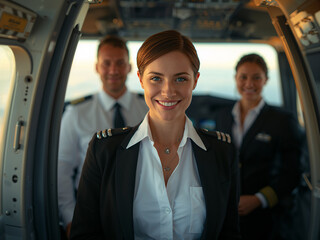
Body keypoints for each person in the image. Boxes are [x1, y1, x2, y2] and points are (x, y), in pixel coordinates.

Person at [70, 30, 241, 240]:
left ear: (195, 81)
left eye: (180, 79)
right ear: (141, 79)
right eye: (156, 78)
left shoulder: (222, 152)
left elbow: (229, 232)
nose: (168, 91)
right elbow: (85, 234)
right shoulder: (103, 150)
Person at [58, 35, 148, 238]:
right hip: (91, 209)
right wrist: (71, 217)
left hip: (142, 208)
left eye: (120, 63)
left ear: (130, 67)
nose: (113, 70)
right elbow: (62, 168)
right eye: (106, 63)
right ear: (97, 67)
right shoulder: (76, 113)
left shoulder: (149, 109)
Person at [212, 53, 304, 240]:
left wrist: (259, 200)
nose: (249, 84)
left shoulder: (283, 121)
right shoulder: (222, 117)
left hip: (265, 216)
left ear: (266, 80)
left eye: (256, 77)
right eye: (243, 77)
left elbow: (292, 173)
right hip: (226, 209)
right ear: (236, 79)